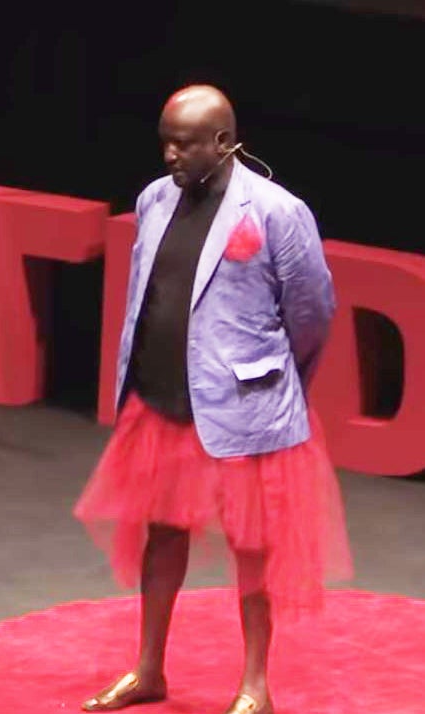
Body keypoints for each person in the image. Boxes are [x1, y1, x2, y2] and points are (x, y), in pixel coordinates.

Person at [72, 84, 353, 714]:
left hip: (244, 407)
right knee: (161, 535)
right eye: (165, 141)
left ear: (223, 142)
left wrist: (278, 381)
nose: (170, 154)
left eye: (184, 143)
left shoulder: (277, 212)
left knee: (253, 547)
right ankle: (148, 669)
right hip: (164, 397)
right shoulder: (154, 199)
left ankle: (255, 686)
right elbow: (146, 293)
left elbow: (313, 312)